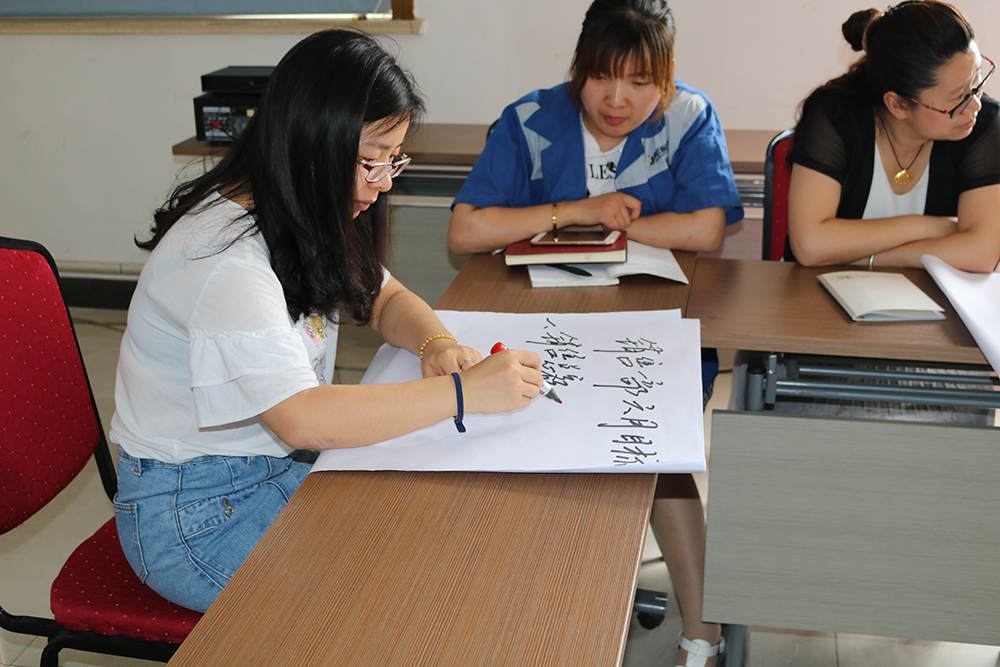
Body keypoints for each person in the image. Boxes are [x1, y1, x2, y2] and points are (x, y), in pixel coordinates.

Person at [110, 30, 544, 614]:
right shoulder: (223, 260)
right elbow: (304, 420)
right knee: (378, 608)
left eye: (394, 159)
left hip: (279, 468)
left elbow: (384, 299)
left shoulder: (304, 205)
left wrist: (437, 341)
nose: (385, 182)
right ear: (309, 144)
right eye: (371, 161)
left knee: (436, 536)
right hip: (196, 513)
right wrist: (463, 395)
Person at [448, 2, 741, 665]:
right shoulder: (531, 119)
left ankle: (703, 635)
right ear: (578, 70)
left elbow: (706, 229)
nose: (617, 99)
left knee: (658, 451)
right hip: (543, 320)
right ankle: (550, 616)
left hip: (657, 322)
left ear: (664, 78)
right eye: (602, 77)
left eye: (640, 81)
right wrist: (577, 212)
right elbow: (466, 230)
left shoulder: (689, 118)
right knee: (536, 443)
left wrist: (599, 230)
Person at [787, 0, 1000, 273]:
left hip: (933, 300)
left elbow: (982, 254)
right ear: (898, 105)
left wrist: (864, 259)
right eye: (958, 98)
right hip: (823, 296)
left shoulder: (981, 124)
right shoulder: (835, 116)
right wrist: (929, 226)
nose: (975, 105)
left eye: (978, 83)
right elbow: (810, 245)